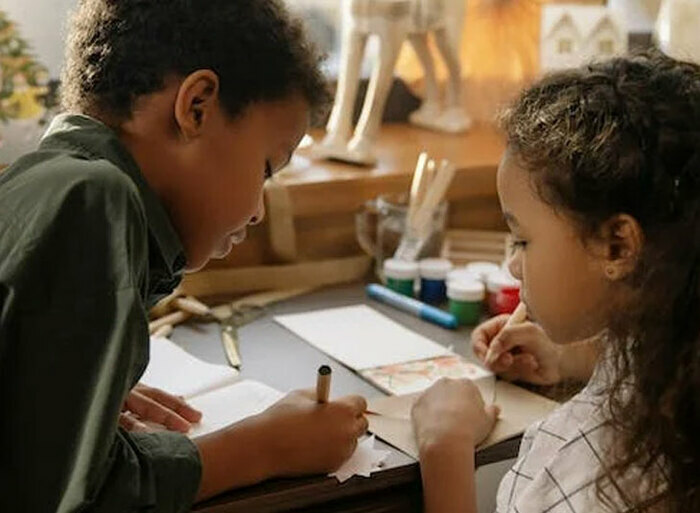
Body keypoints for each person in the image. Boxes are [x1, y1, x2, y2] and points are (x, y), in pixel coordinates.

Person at [0, 1, 368, 511]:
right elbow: (68, 502)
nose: (260, 211)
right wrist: (265, 447)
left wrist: (78, 394)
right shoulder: (93, 198)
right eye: (265, 168)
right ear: (197, 107)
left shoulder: (44, 181)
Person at [411, 51, 700, 513]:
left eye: (522, 240)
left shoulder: (594, 478)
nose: (513, 265)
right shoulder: (676, 351)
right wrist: (573, 358)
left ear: (618, 247)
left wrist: (444, 449)